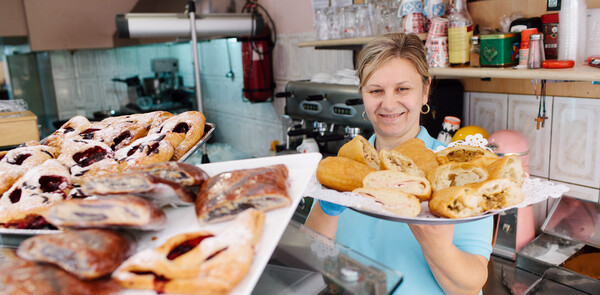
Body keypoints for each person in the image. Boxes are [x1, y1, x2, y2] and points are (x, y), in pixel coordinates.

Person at [305, 33, 493, 295]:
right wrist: (327, 206)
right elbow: (315, 259)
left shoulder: (457, 173)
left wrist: (433, 240)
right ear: (362, 94)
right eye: (375, 91)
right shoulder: (344, 167)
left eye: (402, 89)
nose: (389, 103)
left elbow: (470, 286)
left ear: (425, 90)